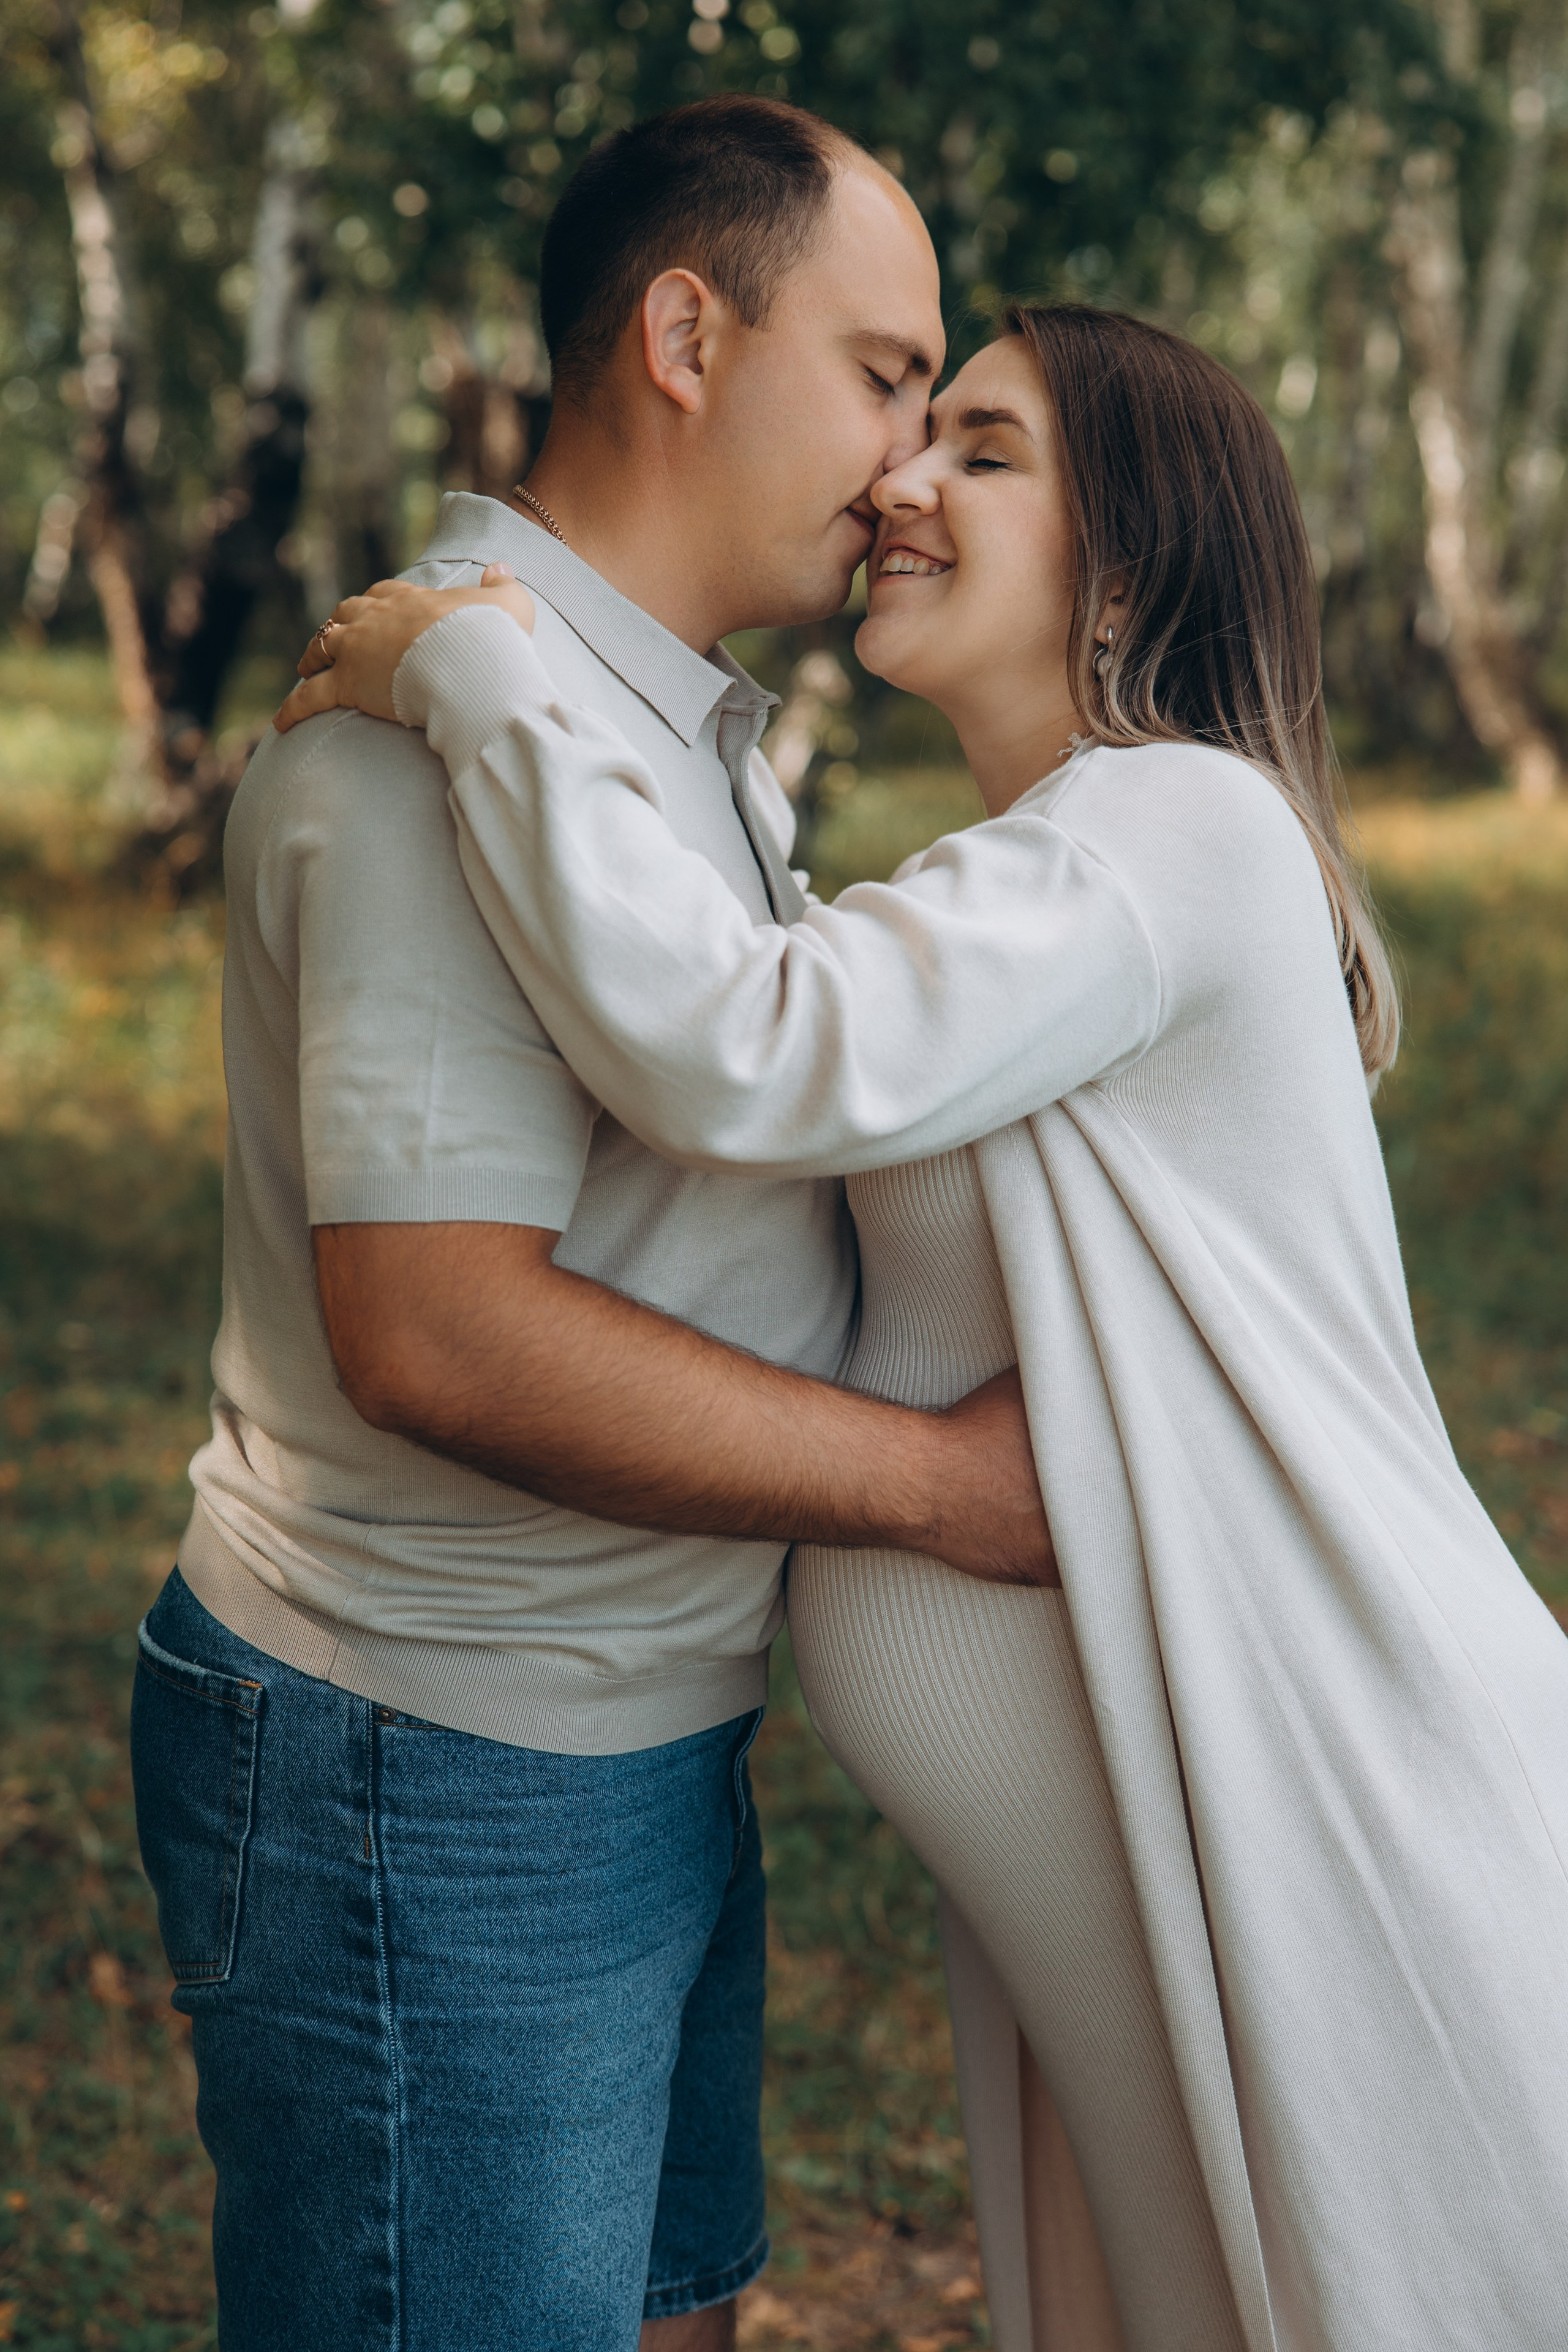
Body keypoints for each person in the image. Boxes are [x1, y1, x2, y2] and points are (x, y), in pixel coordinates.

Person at [285, 303, 1568, 2352]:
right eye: (914, 427)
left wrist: (481, 678)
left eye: (981, 450)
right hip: (1184, 1858)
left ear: (1128, 566)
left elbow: (746, 1046)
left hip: (1352, 1816)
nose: (899, 483)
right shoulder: (1031, 872)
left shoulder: (1179, 827)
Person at [129, 99, 1056, 2352]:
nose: (912, 457)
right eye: (882, 372)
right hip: (432, 1769)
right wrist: (945, 1487)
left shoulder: (648, 725)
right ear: (681, 332)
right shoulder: (431, 739)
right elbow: (441, 1332)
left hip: (624, 1723)